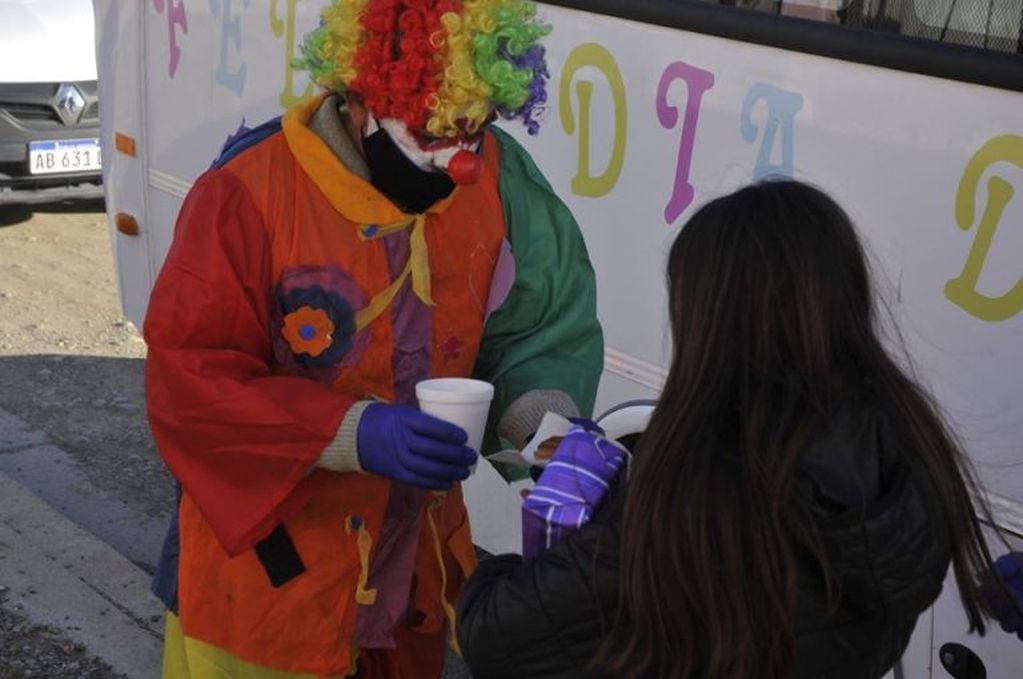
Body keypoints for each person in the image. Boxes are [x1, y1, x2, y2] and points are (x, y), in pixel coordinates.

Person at [144, 1, 602, 676]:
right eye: (429, 132)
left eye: (472, 131)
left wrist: (543, 432)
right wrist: (353, 433)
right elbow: (191, 384)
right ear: (358, 103)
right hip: (268, 596)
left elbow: (532, 328)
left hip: (411, 584)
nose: (460, 163)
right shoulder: (247, 190)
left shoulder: (501, 181)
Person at [456, 180, 1007, 679]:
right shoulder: (911, 449)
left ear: (711, 323)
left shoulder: (697, 491)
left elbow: (494, 638)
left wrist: (530, 552)